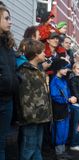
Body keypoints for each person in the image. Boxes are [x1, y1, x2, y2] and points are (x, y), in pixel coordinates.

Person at [17, 39, 52, 160]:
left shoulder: (38, 70)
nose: (45, 54)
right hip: (31, 118)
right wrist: (30, 117)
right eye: (42, 52)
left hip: (40, 117)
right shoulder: (25, 71)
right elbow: (24, 97)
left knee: (37, 147)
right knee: (28, 148)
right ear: (36, 54)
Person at [0, 7, 18, 160]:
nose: (10, 22)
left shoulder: (9, 43)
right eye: (6, 18)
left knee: (2, 142)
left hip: (8, 100)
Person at [50, 58, 77, 160]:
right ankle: (59, 153)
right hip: (59, 109)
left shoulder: (63, 80)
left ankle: (63, 151)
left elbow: (68, 94)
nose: (67, 70)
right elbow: (55, 96)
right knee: (60, 130)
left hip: (65, 109)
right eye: (64, 68)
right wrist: (69, 100)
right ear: (58, 69)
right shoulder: (55, 81)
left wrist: (71, 98)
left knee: (65, 129)